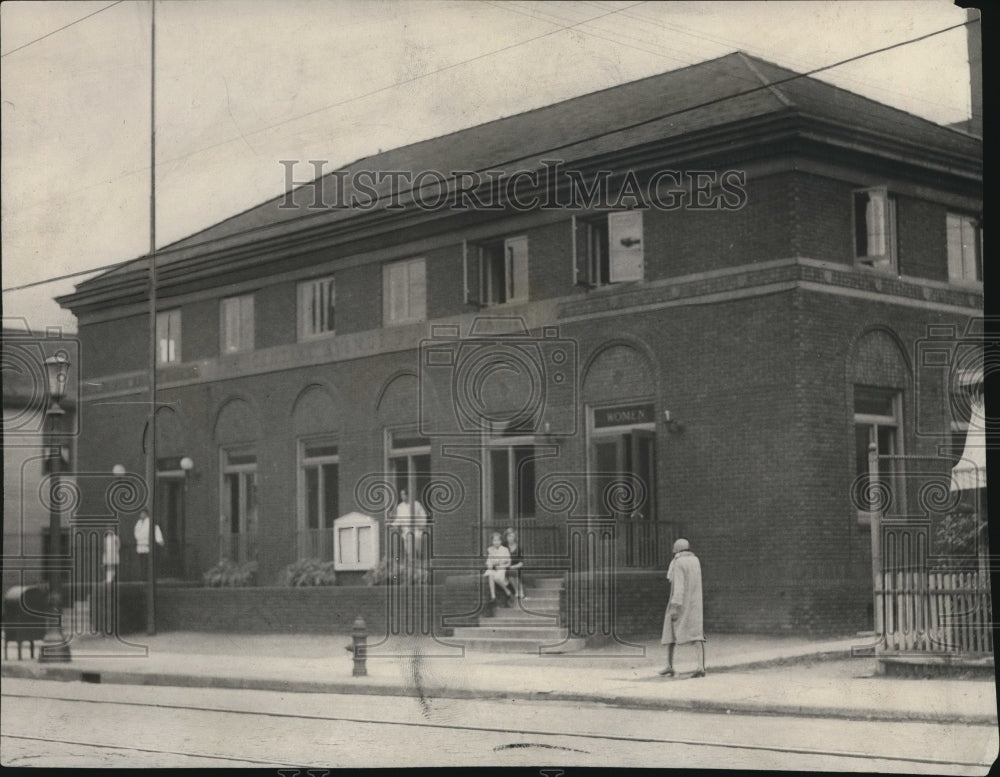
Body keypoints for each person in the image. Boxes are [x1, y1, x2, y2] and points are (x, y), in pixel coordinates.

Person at [659, 538, 706, 678]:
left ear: (677, 550)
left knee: (670, 630)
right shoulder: (695, 560)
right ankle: (700, 666)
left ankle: (669, 664)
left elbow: (679, 587)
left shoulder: (678, 562)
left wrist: (675, 606)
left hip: (679, 603)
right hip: (694, 602)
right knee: (696, 633)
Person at [391, 488, 428, 564]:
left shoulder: (416, 504)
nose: (401, 496)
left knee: (417, 549)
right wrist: (394, 525)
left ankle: (419, 564)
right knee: (408, 550)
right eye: (401, 494)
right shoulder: (400, 507)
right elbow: (399, 519)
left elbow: (423, 515)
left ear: (407, 495)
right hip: (406, 531)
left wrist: (421, 525)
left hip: (416, 530)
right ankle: (411, 564)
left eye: (403, 494)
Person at [483, 532, 514, 605]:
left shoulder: (505, 549)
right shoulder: (491, 550)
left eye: (498, 540)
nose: (496, 542)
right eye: (494, 540)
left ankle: (507, 591)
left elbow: (509, 562)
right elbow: (489, 561)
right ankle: (493, 596)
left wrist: (501, 565)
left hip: (502, 569)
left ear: (501, 541)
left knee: (496, 578)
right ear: (492, 541)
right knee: (490, 575)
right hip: (494, 569)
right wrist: (489, 565)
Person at [133, 510, 164, 580]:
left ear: (146, 514)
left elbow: (156, 530)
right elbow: (136, 533)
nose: (141, 515)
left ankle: (149, 578)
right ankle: (143, 577)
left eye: (143, 513)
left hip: (148, 545)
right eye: (140, 514)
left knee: (148, 563)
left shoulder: (150, 522)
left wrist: (159, 540)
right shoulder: (138, 523)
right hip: (140, 545)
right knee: (142, 563)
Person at [503, 528, 526, 600]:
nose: (510, 538)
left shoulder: (518, 547)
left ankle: (521, 591)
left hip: (517, 567)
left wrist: (513, 567)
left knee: (514, 572)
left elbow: (521, 563)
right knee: (510, 572)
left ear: (515, 537)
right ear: (506, 537)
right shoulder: (504, 546)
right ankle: (516, 591)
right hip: (506, 566)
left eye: (512, 536)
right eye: (508, 536)